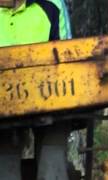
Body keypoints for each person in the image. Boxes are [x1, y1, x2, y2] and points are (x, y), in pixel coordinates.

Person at [0, 0, 72, 179]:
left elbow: (69, 56)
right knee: (4, 165)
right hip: (2, 107)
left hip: (51, 98)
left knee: (52, 159)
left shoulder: (52, 4)